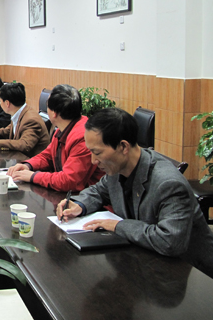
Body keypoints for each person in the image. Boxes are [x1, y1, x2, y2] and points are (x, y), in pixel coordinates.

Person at [57, 108, 213, 278]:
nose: (93, 161)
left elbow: (170, 241)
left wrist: (118, 226)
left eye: (97, 153)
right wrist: (79, 205)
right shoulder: (117, 167)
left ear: (123, 146)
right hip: (143, 263)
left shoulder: (169, 184)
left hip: (189, 276)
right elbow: (99, 190)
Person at [7, 84, 103, 191]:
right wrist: (28, 165)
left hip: (87, 197)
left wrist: (33, 176)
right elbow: (47, 156)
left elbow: (69, 181)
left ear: (54, 113)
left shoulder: (83, 137)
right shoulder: (62, 129)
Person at [0, 82, 50, 158]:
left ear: (7, 103)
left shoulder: (30, 119)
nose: (0, 105)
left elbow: (25, 144)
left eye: (1, 102)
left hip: (31, 163)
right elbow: (6, 131)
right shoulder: (19, 112)